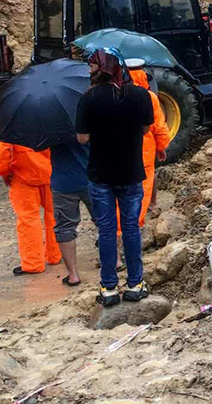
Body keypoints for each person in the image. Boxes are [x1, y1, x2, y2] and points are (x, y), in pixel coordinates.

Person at [76, 49, 154, 307]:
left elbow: (82, 138)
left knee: (107, 229)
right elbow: (145, 129)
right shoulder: (141, 95)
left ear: (102, 69)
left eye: (92, 66)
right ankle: (135, 284)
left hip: (100, 174)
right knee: (131, 228)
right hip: (131, 173)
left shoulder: (88, 99)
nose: (89, 71)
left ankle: (108, 288)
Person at [0, 140, 61, 276]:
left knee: (28, 219)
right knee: (54, 214)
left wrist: (4, 172)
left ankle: (33, 263)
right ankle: (55, 254)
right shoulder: (50, 118)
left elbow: (2, 151)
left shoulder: (8, 121)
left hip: (22, 176)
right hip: (50, 172)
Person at [122, 59, 170, 229]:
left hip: (118, 152)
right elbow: (159, 126)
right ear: (143, 76)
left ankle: (119, 227)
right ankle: (135, 225)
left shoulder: (114, 94)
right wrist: (161, 147)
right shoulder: (149, 98)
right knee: (142, 189)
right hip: (144, 152)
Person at [50, 141, 93, 287]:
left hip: (63, 182)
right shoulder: (87, 119)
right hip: (91, 177)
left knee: (65, 227)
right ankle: (116, 260)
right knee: (103, 220)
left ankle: (73, 275)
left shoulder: (49, 123)